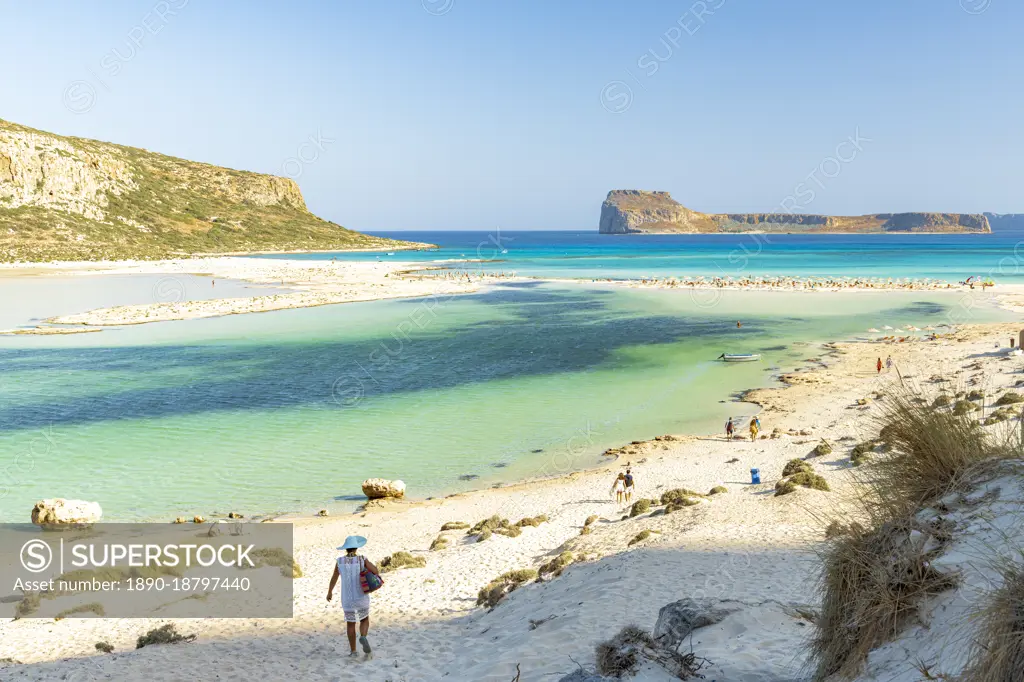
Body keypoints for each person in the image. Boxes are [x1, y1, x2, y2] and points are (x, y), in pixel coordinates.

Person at [327, 535, 379, 660]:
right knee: (364, 619)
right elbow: (376, 571)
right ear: (356, 548)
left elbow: (334, 578)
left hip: (347, 598)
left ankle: (354, 651)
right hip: (361, 595)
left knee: (350, 624)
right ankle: (363, 636)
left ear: (346, 549)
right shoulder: (362, 559)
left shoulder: (340, 561)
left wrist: (330, 592)